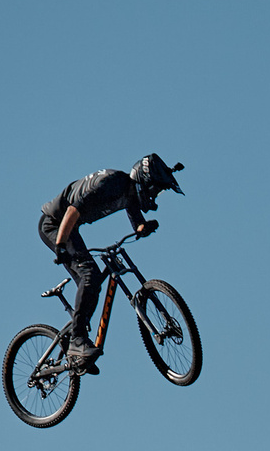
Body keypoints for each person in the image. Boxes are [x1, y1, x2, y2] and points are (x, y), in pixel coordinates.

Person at [39, 155, 185, 371]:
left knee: (94, 281)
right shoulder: (111, 183)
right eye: (157, 190)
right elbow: (72, 210)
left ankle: (79, 348)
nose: (155, 196)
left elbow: (137, 223)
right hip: (55, 225)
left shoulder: (129, 193)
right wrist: (60, 244)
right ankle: (77, 341)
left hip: (69, 227)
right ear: (146, 181)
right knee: (90, 275)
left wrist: (143, 229)